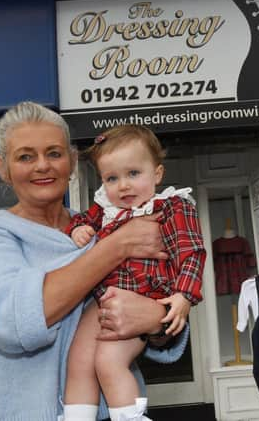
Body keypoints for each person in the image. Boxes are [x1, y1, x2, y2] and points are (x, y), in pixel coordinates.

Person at [0, 101, 188, 421]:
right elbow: (13, 320)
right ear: (3, 167)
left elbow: (160, 304)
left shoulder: (103, 227)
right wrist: (115, 247)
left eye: (54, 153)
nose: (42, 166)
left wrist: (155, 320)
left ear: (72, 162)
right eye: (25, 156)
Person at [63, 125, 206, 420]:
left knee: (108, 361)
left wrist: (184, 296)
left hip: (145, 296)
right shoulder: (105, 210)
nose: (123, 186)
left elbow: (191, 252)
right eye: (112, 178)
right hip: (105, 298)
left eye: (133, 174)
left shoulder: (171, 207)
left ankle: (129, 417)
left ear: (157, 174)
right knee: (78, 360)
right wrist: (79, 228)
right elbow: (78, 220)